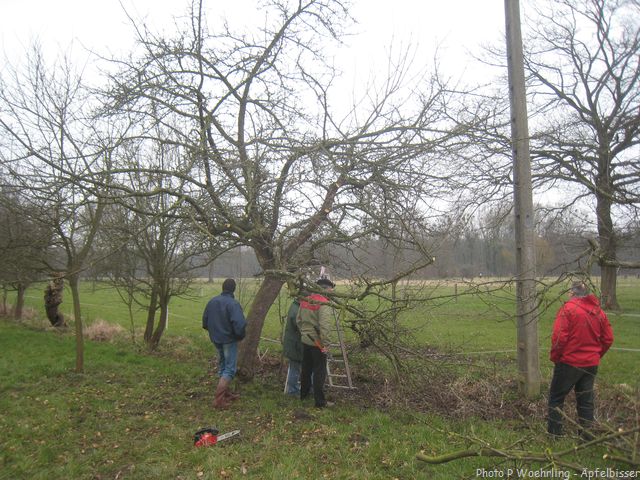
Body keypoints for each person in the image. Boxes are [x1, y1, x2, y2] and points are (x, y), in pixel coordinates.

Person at [547, 281, 614, 438]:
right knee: (585, 400)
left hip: (569, 361)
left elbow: (559, 338)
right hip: (590, 363)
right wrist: (596, 354)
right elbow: (608, 338)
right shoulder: (598, 312)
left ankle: (555, 435)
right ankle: (587, 436)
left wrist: (556, 357)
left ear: (572, 293)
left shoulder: (568, 309)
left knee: (556, 398)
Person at [202, 278, 247, 409]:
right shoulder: (233, 304)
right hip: (228, 340)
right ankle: (218, 400)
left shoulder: (212, 301)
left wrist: (213, 332)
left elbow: (205, 321)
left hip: (216, 339)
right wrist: (239, 336)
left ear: (222, 287)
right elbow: (239, 324)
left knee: (223, 365)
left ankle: (226, 394)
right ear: (234, 289)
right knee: (229, 369)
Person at [297, 276, 335, 408]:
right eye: (331, 289)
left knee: (306, 369)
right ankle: (320, 402)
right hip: (317, 343)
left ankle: (303, 394)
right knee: (319, 372)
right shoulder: (324, 303)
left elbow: (299, 320)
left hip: (305, 339)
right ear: (326, 289)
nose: (332, 292)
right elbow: (325, 327)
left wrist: (304, 332)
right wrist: (326, 345)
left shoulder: (306, 299)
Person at [282, 298, 304, 396]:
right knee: (295, 368)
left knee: (294, 367)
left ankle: (293, 389)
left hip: (293, 344)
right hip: (295, 345)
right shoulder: (297, 310)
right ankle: (292, 391)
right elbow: (301, 326)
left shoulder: (295, 306)